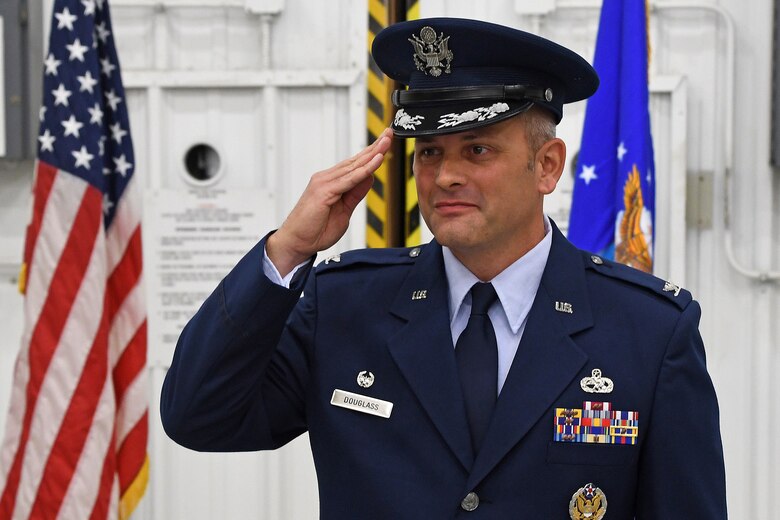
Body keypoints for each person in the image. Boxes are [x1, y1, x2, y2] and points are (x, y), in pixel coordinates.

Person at [161, 17, 727, 518]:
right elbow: (199, 417)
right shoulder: (344, 305)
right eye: (429, 151)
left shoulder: (649, 331)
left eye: (477, 150)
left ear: (548, 167)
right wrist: (287, 250)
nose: (446, 176)